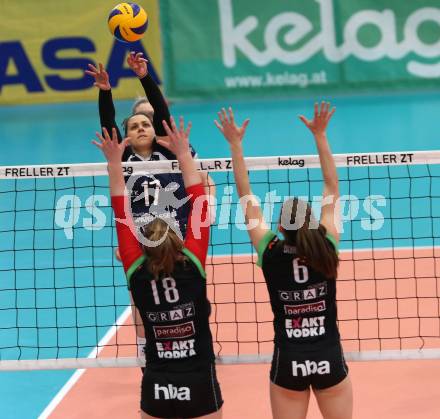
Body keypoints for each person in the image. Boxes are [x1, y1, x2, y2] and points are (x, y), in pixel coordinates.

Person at [215, 103, 352, 419]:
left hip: (289, 360)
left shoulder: (269, 249)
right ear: (312, 221)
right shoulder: (326, 245)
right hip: (327, 357)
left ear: (279, 226)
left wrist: (235, 144)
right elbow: (331, 186)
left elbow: (245, 195)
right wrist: (320, 135)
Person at [92, 117, 223, 419]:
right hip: (198, 377)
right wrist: (184, 155)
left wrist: (114, 163)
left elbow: (120, 207)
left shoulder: (136, 271)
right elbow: (199, 200)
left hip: (156, 383)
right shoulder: (193, 265)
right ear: (178, 238)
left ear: (141, 244)